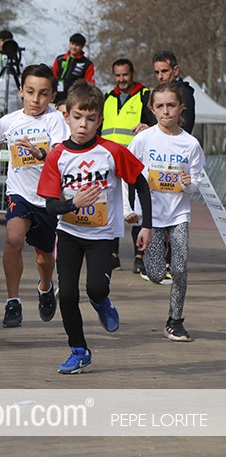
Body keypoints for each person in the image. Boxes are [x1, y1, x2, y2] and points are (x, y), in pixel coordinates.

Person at [37, 82, 152, 374]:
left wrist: (147, 225)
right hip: (69, 234)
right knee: (68, 295)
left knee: (96, 288)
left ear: (100, 121)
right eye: (77, 117)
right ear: (66, 116)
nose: (83, 125)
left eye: (90, 119)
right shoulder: (57, 156)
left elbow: (140, 183)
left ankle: (102, 302)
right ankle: (79, 351)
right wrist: (72, 203)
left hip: (103, 235)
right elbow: (50, 206)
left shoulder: (112, 151)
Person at [0, 64, 68, 328]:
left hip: (46, 197)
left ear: (52, 96)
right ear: (21, 90)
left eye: (43, 94)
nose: (36, 100)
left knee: (43, 257)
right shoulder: (9, 121)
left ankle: (45, 287)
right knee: (13, 239)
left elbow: (59, 155)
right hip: (18, 193)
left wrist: (40, 154)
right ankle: (13, 301)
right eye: (30, 92)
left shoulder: (55, 120)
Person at [128, 82, 205, 342]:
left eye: (171, 105)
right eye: (160, 106)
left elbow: (196, 182)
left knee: (180, 268)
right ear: (152, 109)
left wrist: (188, 183)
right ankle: (155, 268)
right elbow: (127, 175)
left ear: (181, 107)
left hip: (178, 214)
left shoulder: (190, 144)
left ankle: (175, 321)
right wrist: (130, 209)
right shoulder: (143, 139)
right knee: (157, 274)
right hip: (150, 217)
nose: (166, 111)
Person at [101, 58, 156, 274]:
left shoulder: (145, 95)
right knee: (112, 208)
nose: (121, 79)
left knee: (136, 210)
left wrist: (148, 126)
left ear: (132, 73)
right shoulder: (107, 97)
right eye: (117, 75)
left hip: (133, 161)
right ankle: (112, 255)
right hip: (108, 161)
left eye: (125, 75)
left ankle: (139, 256)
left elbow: (157, 124)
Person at [152, 51, 195, 134]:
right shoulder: (157, 92)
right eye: (157, 72)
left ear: (175, 70)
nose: (160, 76)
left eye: (164, 71)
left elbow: (185, 127)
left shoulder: (184, 93)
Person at [51, 33, 95, 107]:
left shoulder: (87, 64)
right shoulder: (60, 59)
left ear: (82, 47)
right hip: (55, 99)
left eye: (77, 45)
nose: (74, 47)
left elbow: (90, 85)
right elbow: (52, 77)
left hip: (73, 101)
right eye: (72, 44)